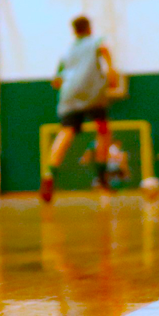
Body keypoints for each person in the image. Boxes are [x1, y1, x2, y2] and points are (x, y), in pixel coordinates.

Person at [40, 16, 121, 203]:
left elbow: (56, 80)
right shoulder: (96, 41)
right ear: (89, 28)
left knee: (66, 132)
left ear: (74, 31)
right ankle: (102, 178)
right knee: (103, 129)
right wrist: (111, 72)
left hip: (69, 93)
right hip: (92, 91)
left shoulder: (67, 52)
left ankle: (48, 174)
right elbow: (105, 49)